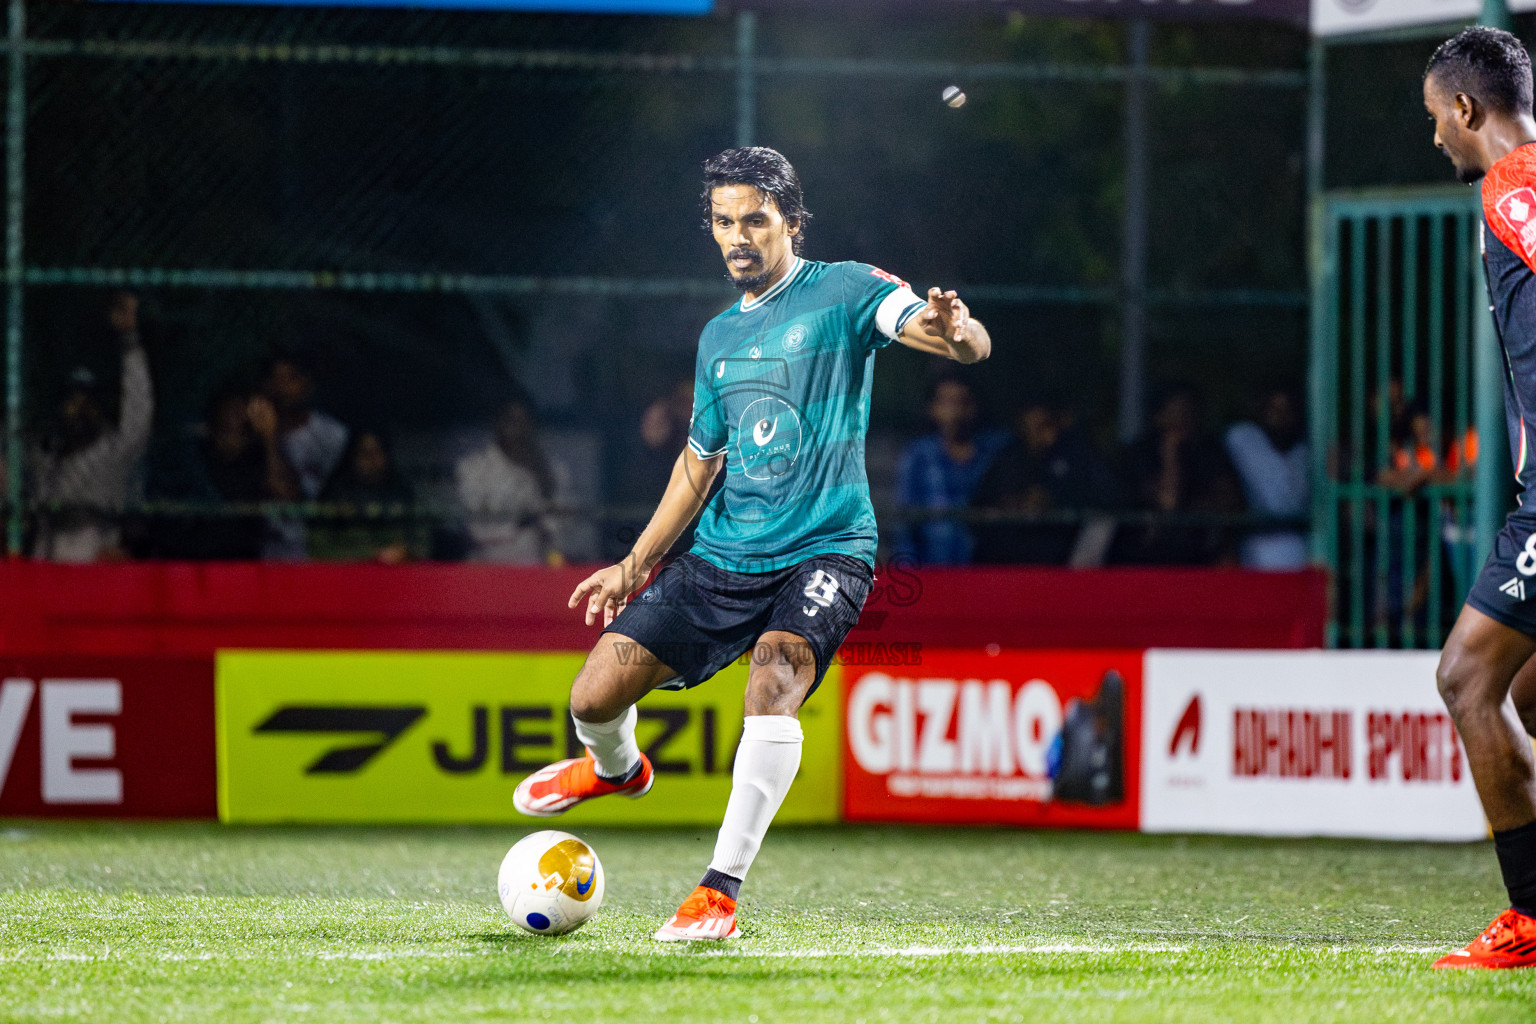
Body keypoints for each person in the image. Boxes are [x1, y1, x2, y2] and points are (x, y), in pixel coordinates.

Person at [511, 147, 990, 941]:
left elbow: (944, 338)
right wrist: (634, 564)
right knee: (593, 696)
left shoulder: (845, 289)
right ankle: (615, 771)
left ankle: (717, 892)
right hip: (724, 558)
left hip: (826, 549)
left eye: (755, 220)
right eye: (724, 222)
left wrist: (956, 330)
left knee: (773, 680)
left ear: (792, 224)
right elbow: (700, 465)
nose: (738, 236)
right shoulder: (715, 340)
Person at [1423, 26, 1536, 969]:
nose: (1436, 141)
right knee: (1531, 690)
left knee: (1467, 678)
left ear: (1467, 108)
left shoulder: (1515, 188)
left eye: (1435, 120)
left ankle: (1531, 917)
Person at [29, 291, 153, 562]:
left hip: (93, 543)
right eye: (72, 399)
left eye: (86, 399)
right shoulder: (43, 450)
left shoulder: (112, 448)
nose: (78, 407)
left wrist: (130, 341)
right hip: (47, 547)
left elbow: (139, 410)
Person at [970, 395, 1115, 565]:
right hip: (1011, 566)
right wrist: (1010, 505)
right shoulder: (1008, 458)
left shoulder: (1080, 457)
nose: (1038, 436)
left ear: (1060, 422)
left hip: (1063, 563)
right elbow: (978, 509)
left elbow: (1110, 501)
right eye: (1030, 427)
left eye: (1044, 426)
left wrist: (1054, 501)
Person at [1112, 383, 1240, 566]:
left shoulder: (1208, 450)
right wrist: (1170, 451)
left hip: (1201, 556)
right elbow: (1167, 502)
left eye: (1189, 411)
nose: (1184, 419)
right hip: (1147, 559)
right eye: (1177, 411)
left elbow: (1230, 501)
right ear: (1159, 416)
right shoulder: (1140, 453)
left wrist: (1197, 508)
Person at [894, 374, 1007, 565]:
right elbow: (906, 521)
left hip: (987, 569)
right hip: (933, 568)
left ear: (974, 407)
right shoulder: (919, 456)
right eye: (946, 402)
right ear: (933, 409)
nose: (955, 410)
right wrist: (909, 573)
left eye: (962, 402)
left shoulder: (996, 452)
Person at [456, 398, 566, 565]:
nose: (518, 429)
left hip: (535, 571)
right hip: (485, 570)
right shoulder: (473, 469)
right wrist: (523, 522)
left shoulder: (552, 469)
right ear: (498, 423)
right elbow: (475, 529)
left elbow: (564, 529)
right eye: (512, 420)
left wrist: (544, 483)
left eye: (525, 421)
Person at [1224, 386, 1310, 570]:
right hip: (1256, 547)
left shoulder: (1305, 452)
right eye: (1273, 409)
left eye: (1288, 410)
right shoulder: (1242, 439)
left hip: (1302, 547)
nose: (1280, 416)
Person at [310, 429, 425, 564]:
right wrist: (367, 555)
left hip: (394, 574)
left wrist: (406, 551)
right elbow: (317, 547)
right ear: (352, 457)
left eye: (377, 452)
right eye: (364, 453)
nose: (371, 459)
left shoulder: (402, 492)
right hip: (347, 574)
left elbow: (421, 542)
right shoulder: (336, 493)